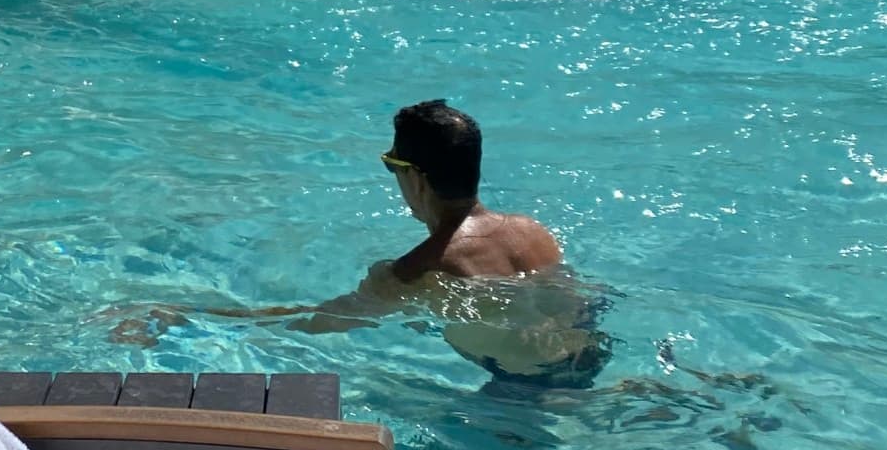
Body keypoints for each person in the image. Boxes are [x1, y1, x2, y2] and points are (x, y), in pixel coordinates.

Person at [113, 99, 608, 385]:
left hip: (525, 389)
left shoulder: (418, 271)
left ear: (415, 177)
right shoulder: (532, 230)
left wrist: (185, 315)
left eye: (392, 167)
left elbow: (317, 322)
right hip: (590, 356)